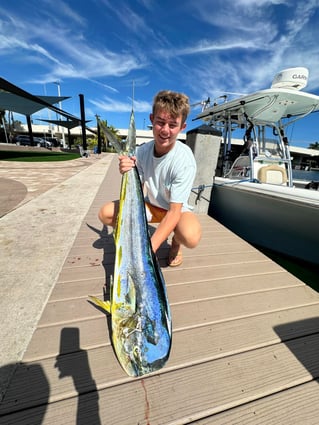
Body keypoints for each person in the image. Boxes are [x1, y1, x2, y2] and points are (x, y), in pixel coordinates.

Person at [98, 90, 202, 266]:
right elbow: (135, 192)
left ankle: (175, 243)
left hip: (175, 209)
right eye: (160, 122)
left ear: (182, 127)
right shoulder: (142, 151)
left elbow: (174, 212)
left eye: (172, 125)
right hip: (150, 205)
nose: (165, 130)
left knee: (190, 237)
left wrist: (147, 253)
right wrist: (126, 171)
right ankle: (135, 239)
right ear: (152, 119)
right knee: (105, 214)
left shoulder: (184, 160)